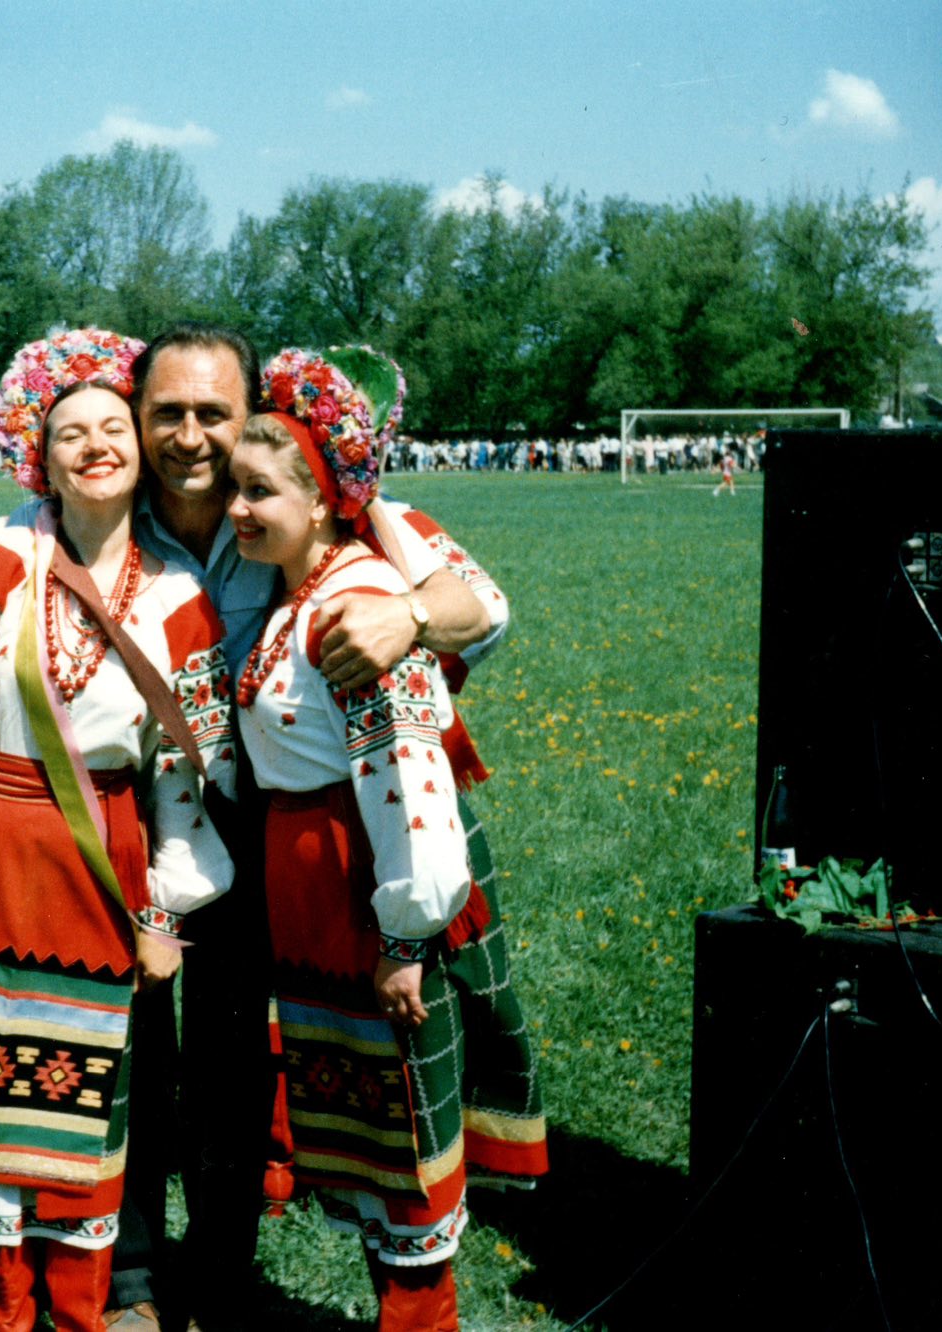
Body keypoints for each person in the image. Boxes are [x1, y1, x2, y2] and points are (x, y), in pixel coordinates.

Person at [0, 323, 504, 1329]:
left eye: (212, 414)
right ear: (134, 415)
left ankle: (220, 1272)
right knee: (121, 1043)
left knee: (232, 1053)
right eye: (165, 412)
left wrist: (406, 614)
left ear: (252, 415)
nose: (187, 436)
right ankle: (128, 1277)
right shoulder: (94, 495)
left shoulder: (293, 489)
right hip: (133, 811)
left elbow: (478, 600)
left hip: (275, 814)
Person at [0, 328, 235, 1332]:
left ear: (139, 449)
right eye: (71, 433)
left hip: (103, 859)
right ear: (43, 456)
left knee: (85, 1103)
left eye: (113, 428)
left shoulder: (180, 592)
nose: (95, 447)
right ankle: (3, 1312)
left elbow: (183, 776)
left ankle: (82, 1309)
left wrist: (167, 910)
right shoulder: (1, 554)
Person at [232, 346, 546, 1331]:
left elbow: (409, 780)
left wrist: (407, 936)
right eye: (236, 488)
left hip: (362, 884)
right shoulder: (305, 585)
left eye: (258, 491)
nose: (237, 508)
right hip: (313, 890)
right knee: (365, 1115)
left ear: (323, 499)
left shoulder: (359, 606)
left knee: (403, 1123)